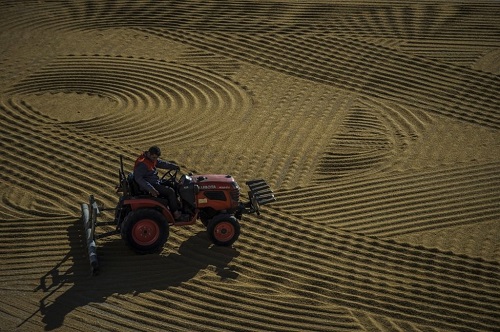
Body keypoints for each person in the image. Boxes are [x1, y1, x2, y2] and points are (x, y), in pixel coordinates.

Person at [133, 146, 187, 221]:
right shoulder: (142, 163)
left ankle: (177, 205)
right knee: (170, 191)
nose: (155, 159)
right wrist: (151, 189)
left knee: (173, 184)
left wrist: (173, 166)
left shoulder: (151, 159)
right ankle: (176, 214)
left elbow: (161, 163)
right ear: (149, 153)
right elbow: (138, 178)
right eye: (153, 157)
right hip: (150, 185)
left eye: (156, 158)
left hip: (155, 181)